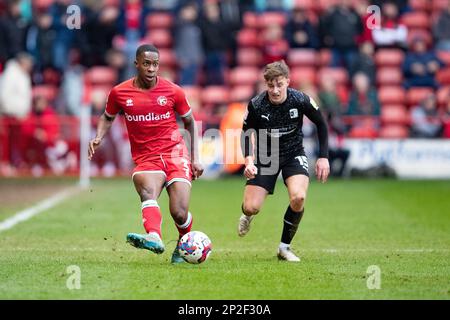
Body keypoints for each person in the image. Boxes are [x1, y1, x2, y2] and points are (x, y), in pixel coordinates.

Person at [88, 44, 204, 264]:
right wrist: (98, 136)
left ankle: (182, 244)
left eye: (155, 64)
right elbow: (107, 116)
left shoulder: (173, 91)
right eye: (147, 64)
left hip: (174, 153)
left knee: (179, 212)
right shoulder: (119, 92)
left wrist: (195, 158)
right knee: (148, 191)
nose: (152, 69)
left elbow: (190, 122)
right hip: (146, 158)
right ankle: (154, 236)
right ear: (137, 64)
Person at [238, 60, 330, 262]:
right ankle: (247, 215)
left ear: (288, 81)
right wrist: (249, 161)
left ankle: (284, 248)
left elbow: (322, 124)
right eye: (271, 85)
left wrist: (323, 157)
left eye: (279, 84)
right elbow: (246, 133)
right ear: (266, 84)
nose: (275, 90)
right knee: (251, 207)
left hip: (293, 153)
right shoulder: (256, 104)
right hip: (266, 156)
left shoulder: (300, 99)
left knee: (298, 198)